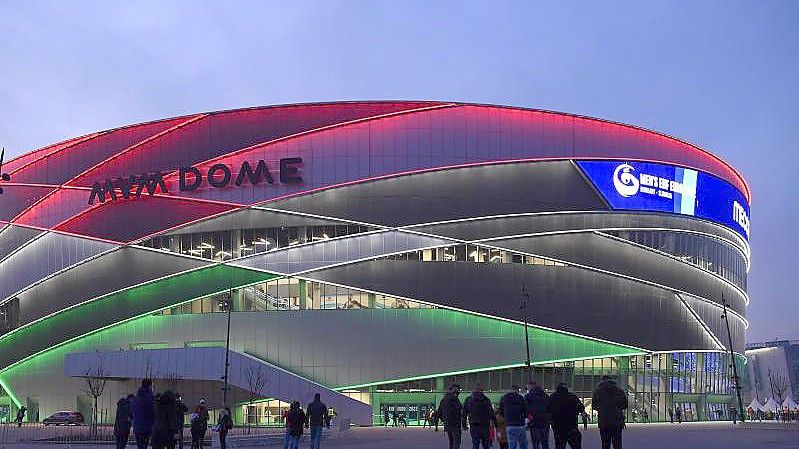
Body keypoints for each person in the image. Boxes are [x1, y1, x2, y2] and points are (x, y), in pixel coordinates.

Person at [591, 376, 626, 449]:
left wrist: (603, 409)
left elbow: (594, 406)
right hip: (617, 421)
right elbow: (624, 405)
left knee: (605, 444)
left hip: (604, 421)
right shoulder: (619, 391)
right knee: (617, 444)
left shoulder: (597, 391)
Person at [548, 383, 584, 449]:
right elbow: (581, 407)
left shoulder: (552, 397)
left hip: (558, 426)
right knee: (576, 445)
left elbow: (548, 410)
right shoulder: (572, 396)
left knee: (560, 445)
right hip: (571, 425)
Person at [436, 384, 464, 449]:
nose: (458, 394)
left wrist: (443, 420)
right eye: (458, 392)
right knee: (456, 441)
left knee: (451, 441)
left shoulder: (444, 399)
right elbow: (459, 410)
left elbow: (439, 412)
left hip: (447, 424)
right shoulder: (455, 399)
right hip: (455, 423)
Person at [132, 379, 156, 449]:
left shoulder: (136, 398)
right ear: (150, 386)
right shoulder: (151, 398)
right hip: (147, 427)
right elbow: (153, 413)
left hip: (137, 427)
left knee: (140, 446)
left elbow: (132, 411)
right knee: (144, 445)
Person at [525, 383, 550, 449]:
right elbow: (550, 408)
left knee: (535, 443)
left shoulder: (528, 396)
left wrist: (528, 417)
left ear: (530, 387)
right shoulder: (545, 396)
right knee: (545, 442)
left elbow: (525, 408)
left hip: (534, 423)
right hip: (545, 423)